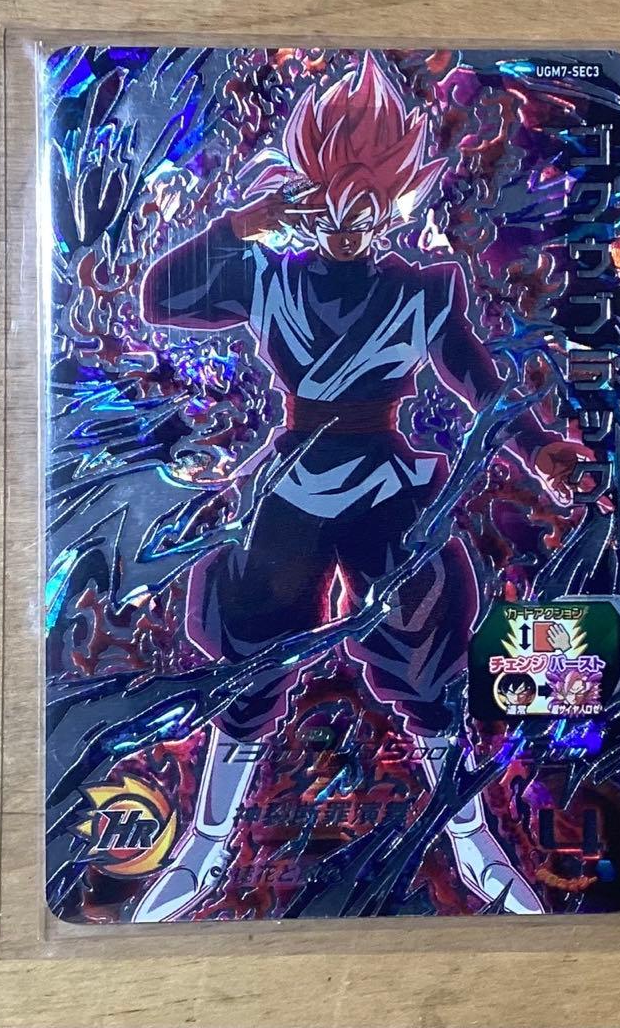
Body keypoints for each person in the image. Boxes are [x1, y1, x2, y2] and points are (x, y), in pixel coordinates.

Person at [131, 53, 543, 920]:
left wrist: (540, 452)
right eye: (332, 198)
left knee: (425, 649)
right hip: (292, 480)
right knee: (253, 649)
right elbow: (159, 297)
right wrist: (238, 227)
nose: (351, 222)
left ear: (397, 200)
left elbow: (482, 385)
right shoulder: (268, 275)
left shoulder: (422, 291)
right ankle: (207, 843)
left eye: (370, 202)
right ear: (306, 192)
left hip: (387, 482)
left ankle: (469, 834)